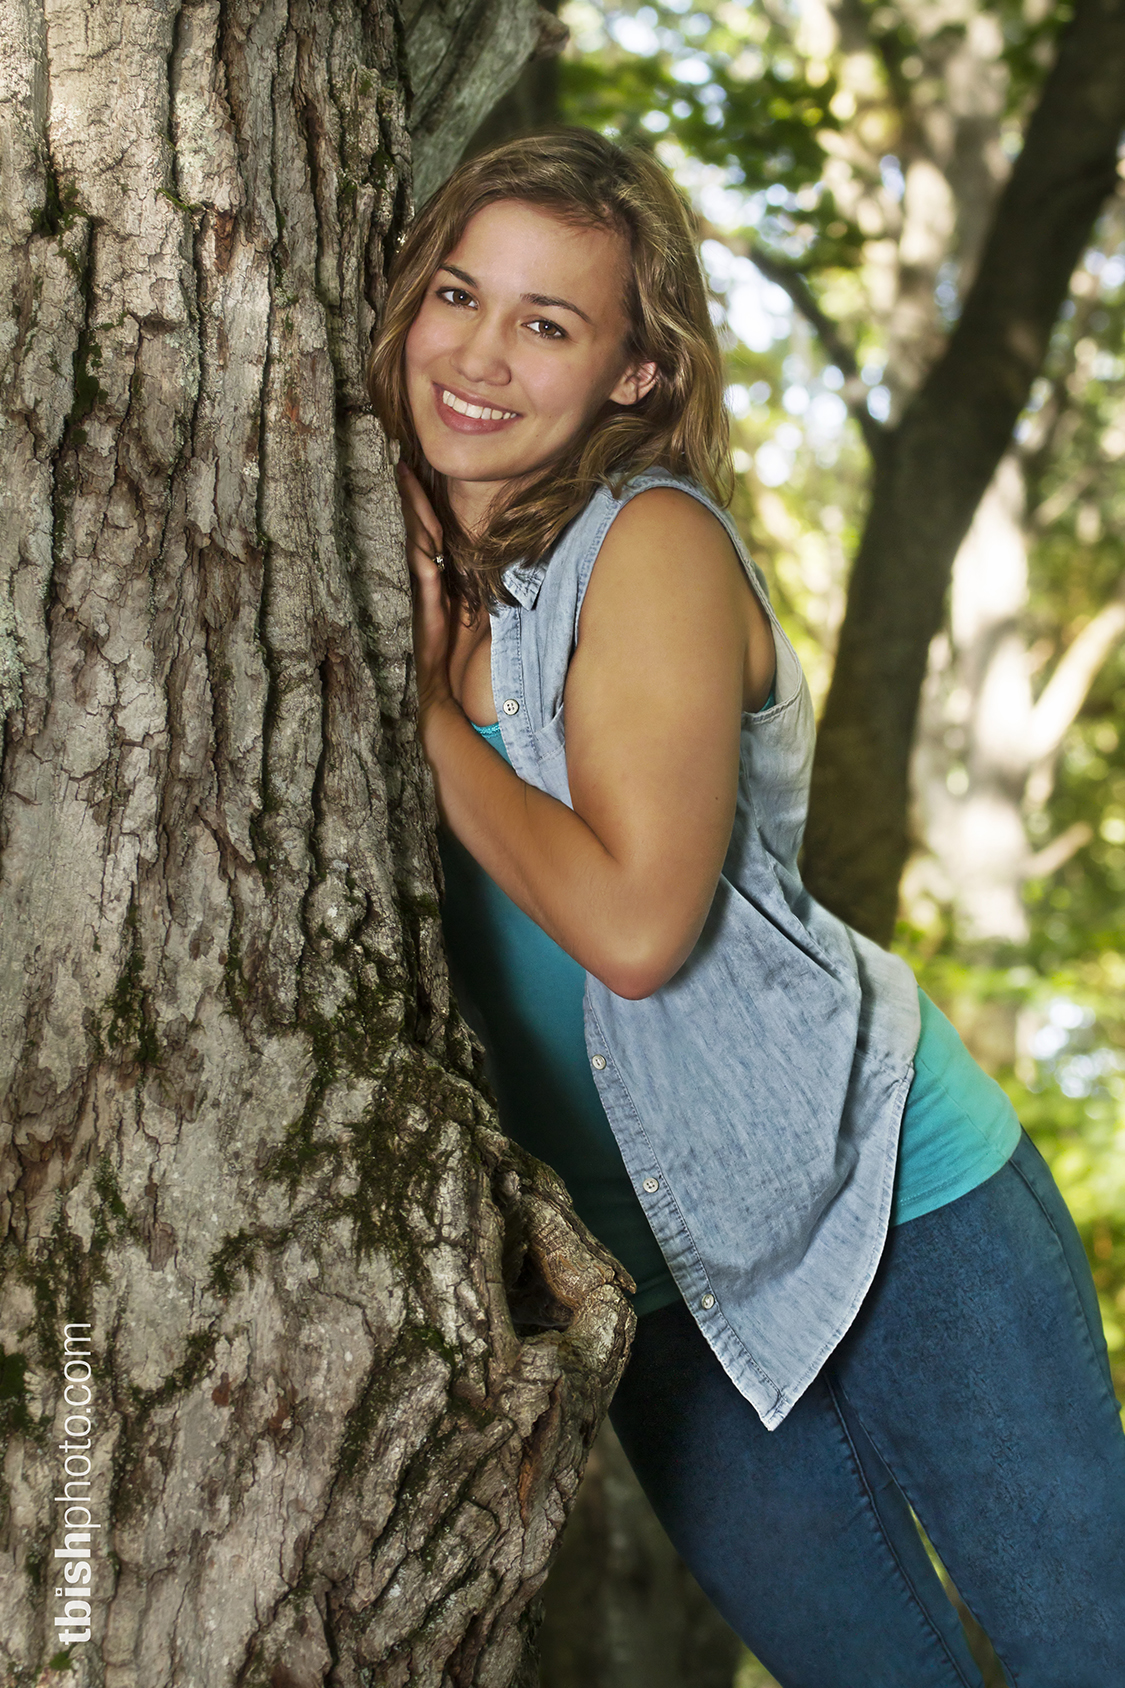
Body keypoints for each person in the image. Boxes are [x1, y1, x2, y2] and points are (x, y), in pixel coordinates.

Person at [368, 128, 1125, 1688]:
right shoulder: (373, 550)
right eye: (458, 294)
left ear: (632, 374)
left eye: (546, 323)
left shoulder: (644, 545)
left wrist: (424, 717)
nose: (480, 356)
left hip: (886, 1194)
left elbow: (638, 930)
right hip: (652, 1275)